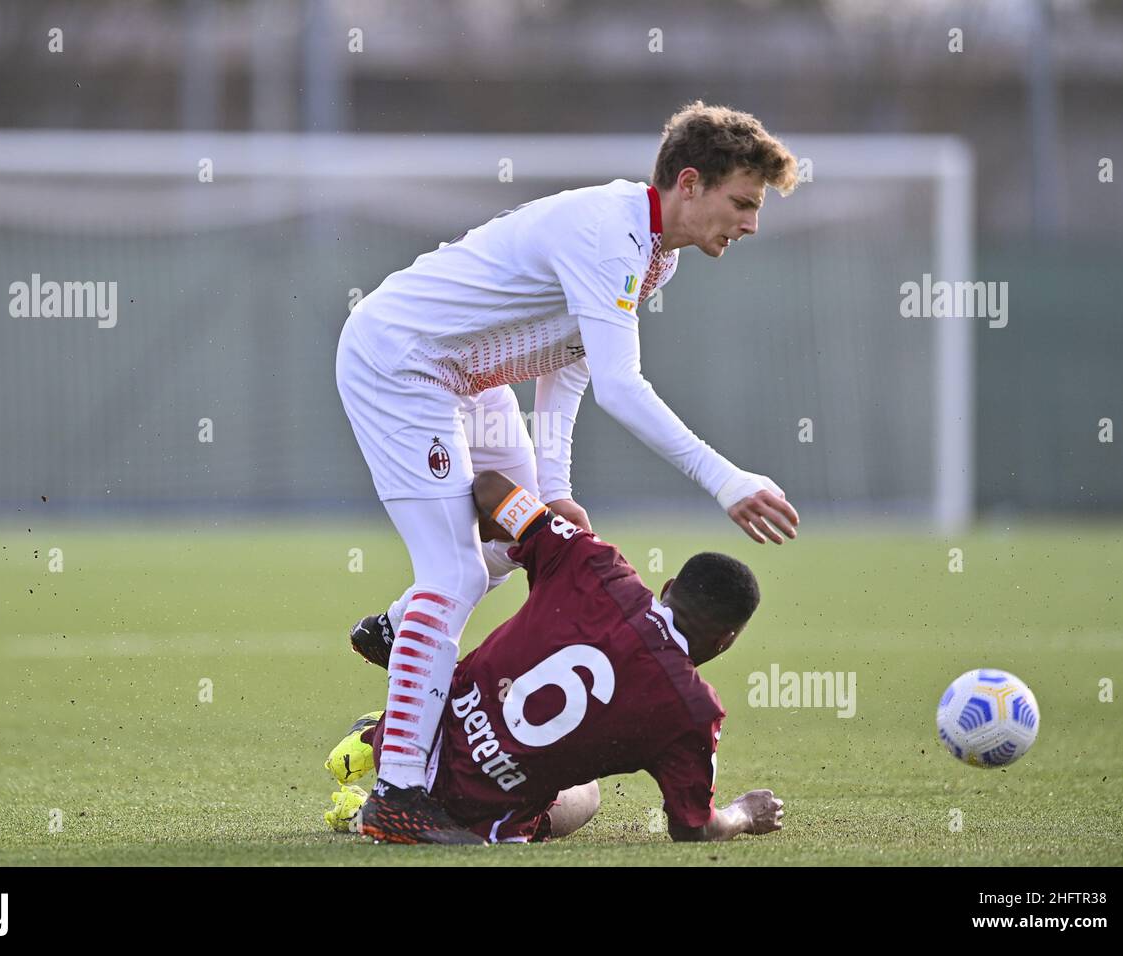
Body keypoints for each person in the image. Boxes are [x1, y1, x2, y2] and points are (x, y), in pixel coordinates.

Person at [336, 101, 800, 843]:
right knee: (451, 577)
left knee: (523, 527)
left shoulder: (656, 255)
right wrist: (727, 480)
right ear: (690, 183)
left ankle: (400, 635)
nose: (750, 223)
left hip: (465, 376)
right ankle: (396, 796)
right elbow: (622, 384)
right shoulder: (611, 232)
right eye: (742, 203)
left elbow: (574, 367)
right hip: (403, 360)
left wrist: (556, 491)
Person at [327, 471, 785, 845]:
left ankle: (380, 734)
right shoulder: (693, 710)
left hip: (413, 739)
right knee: (586, 797)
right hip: (463, 820)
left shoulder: (598, 564)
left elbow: (487, 487)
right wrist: (744, 813)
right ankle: (361, 809)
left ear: (668, 590)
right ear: (725, 641)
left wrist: (544, 524)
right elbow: (694, 829)